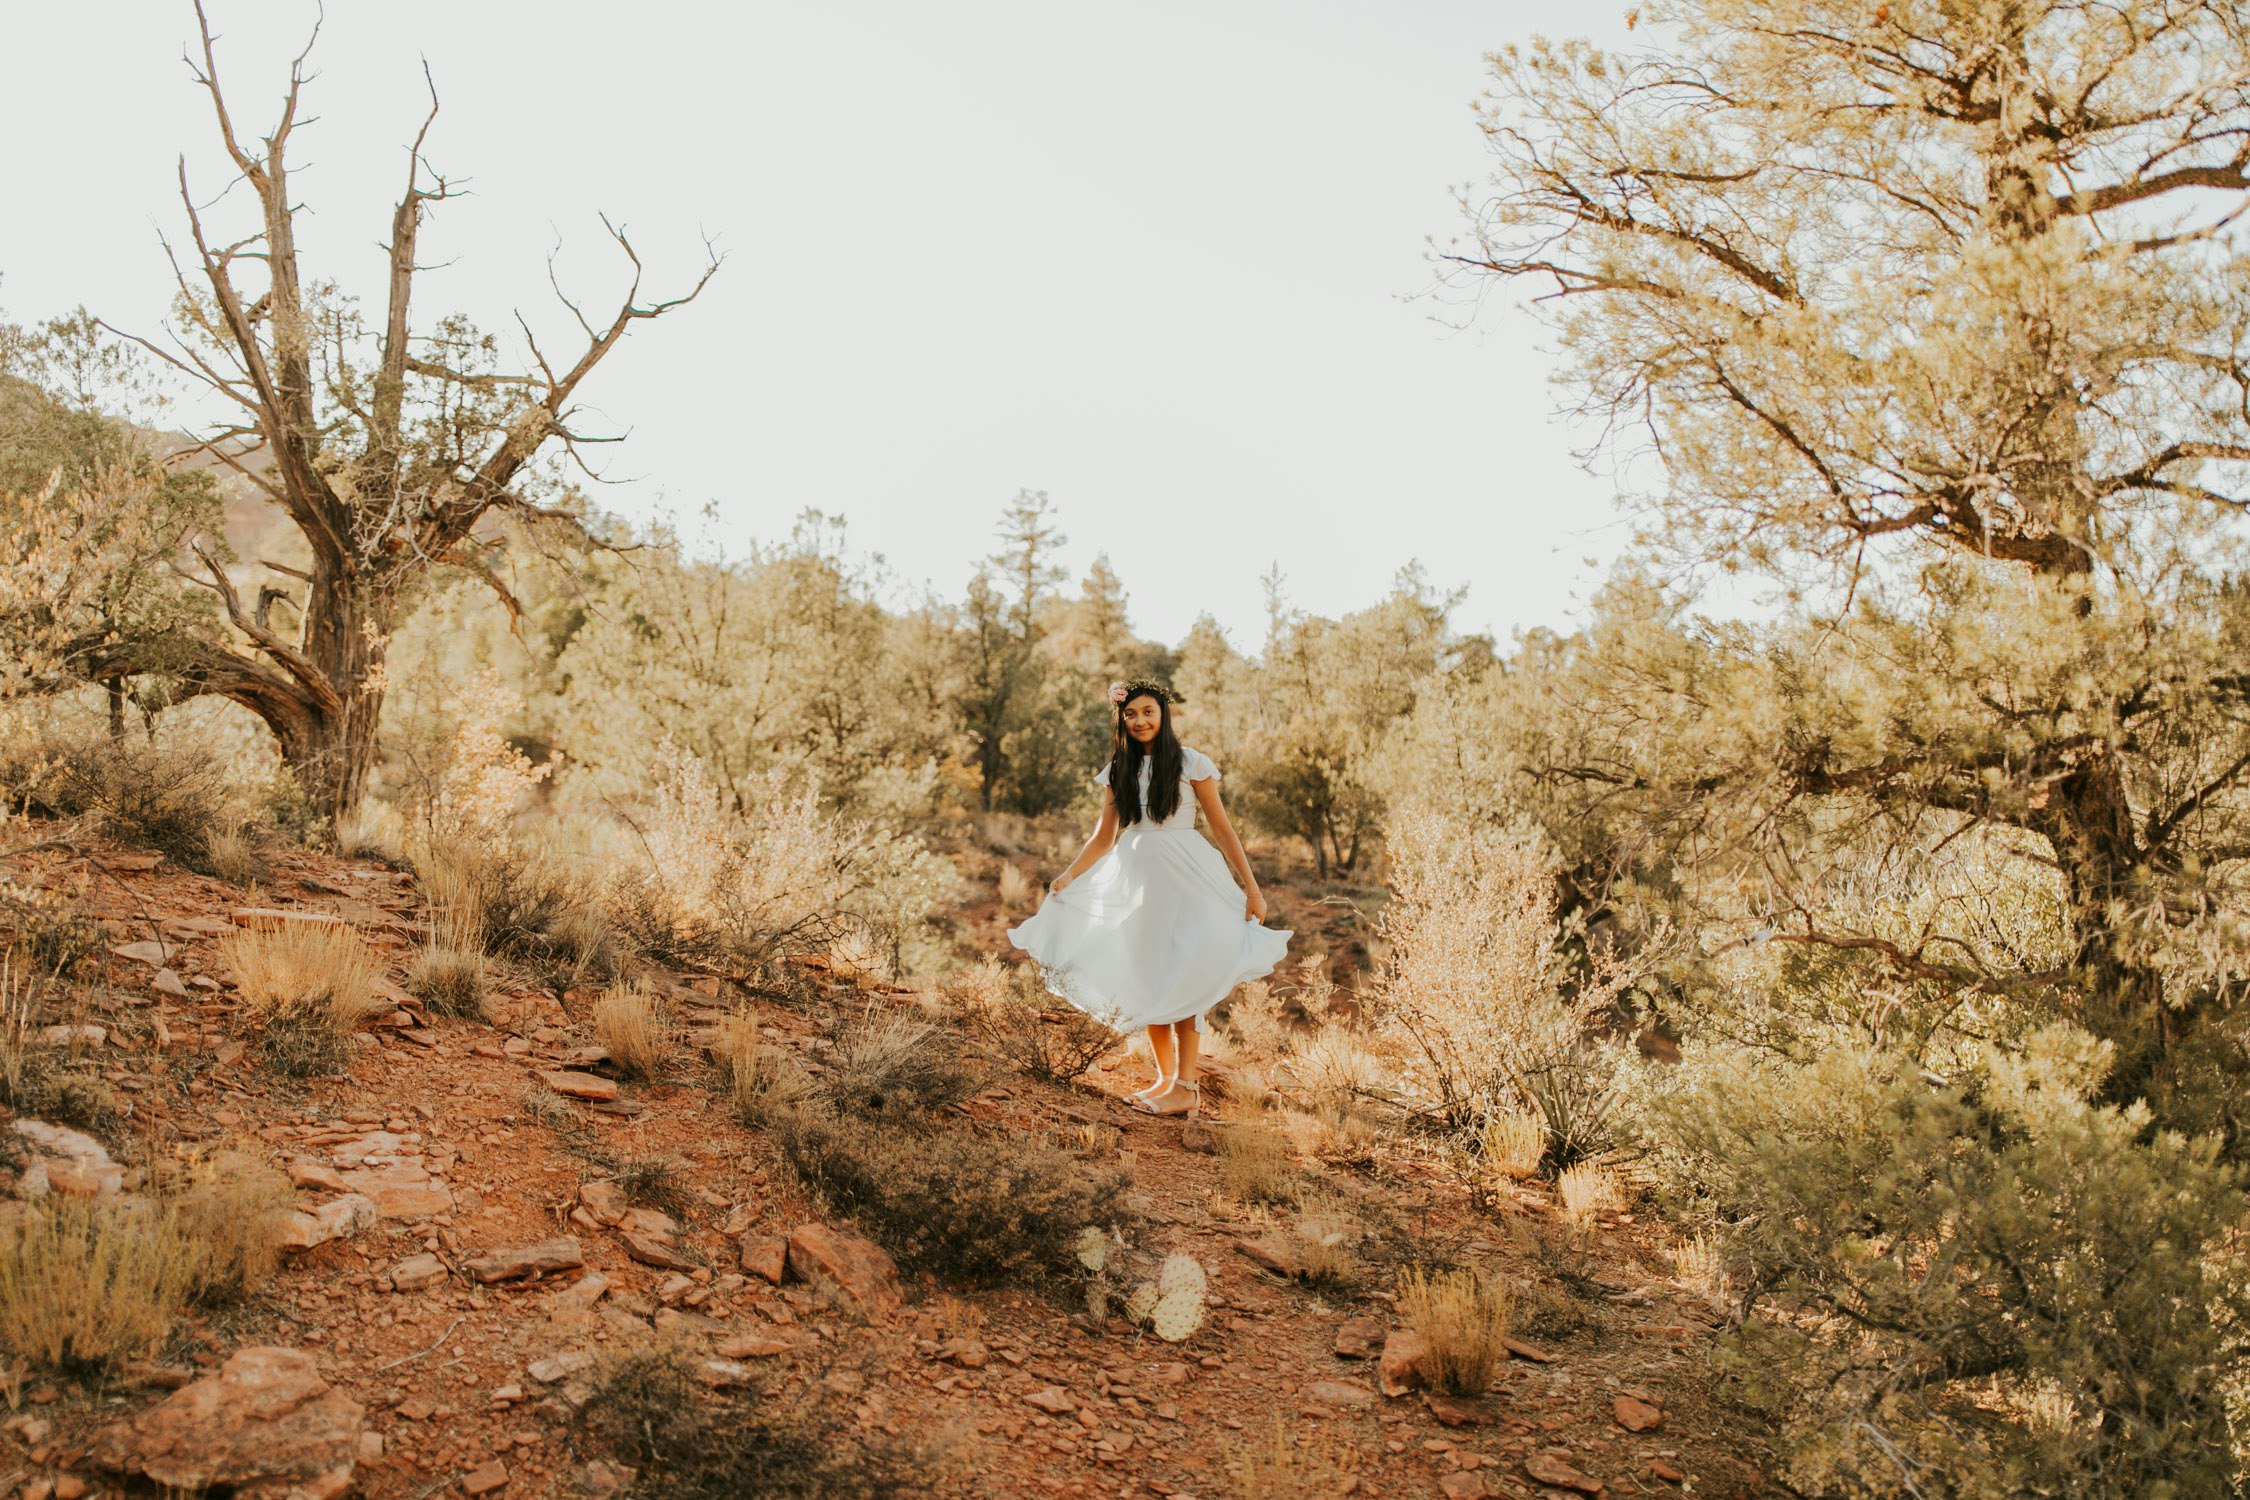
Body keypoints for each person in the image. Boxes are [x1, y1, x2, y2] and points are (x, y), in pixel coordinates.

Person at [1007, 678, 1291, 1117]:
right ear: (1121, 719)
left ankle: (1187, 1087)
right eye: (1131, 714)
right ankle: (1165, 1079)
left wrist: (1252, 889)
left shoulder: (1191, 763)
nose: (1139, 721)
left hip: (1189, 877)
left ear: (1163, 716)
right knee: (1152, 972)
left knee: (1186, 972)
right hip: (1137, 879)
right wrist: (1067, 876)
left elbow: (1222, 828)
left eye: (1148, 712)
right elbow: (1104, 837)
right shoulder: (1118, 770)